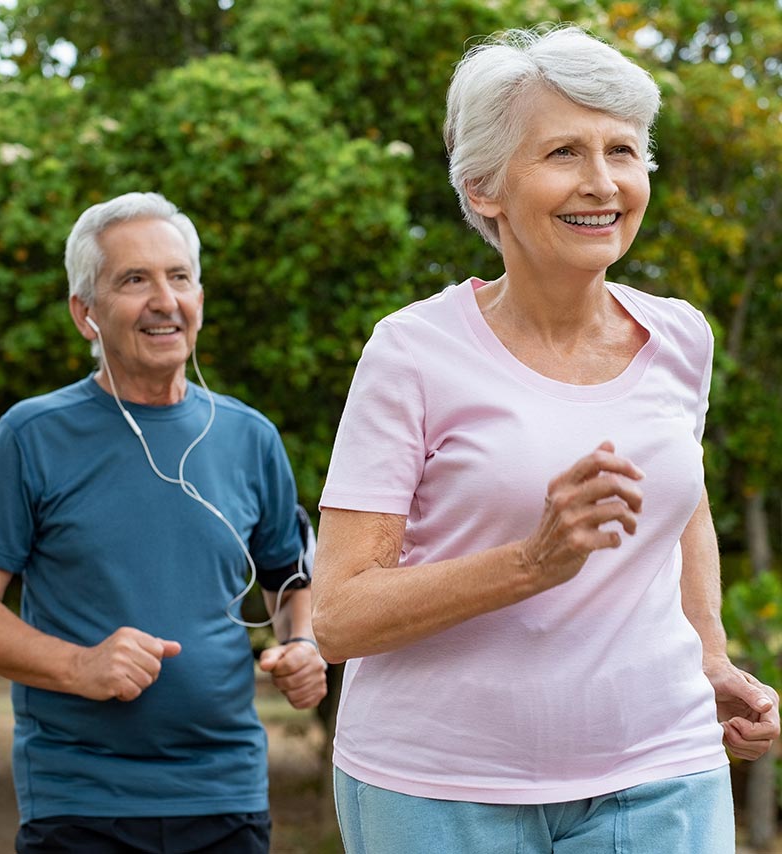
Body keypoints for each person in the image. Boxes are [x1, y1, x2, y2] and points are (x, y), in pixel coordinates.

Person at [311, 25, 779, 854]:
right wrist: (532, 562)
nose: (603, 184)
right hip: (437, 789)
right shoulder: (411, 353)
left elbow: (683, 507)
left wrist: (710, 654)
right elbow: (339, 617)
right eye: (564, 151)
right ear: (484, 187)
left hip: (661, 769)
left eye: (624, 152)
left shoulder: (681, 339)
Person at [0, 191, 327, 854]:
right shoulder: (31, 436)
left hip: (228, 797)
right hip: (80, 804)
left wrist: (304, 645)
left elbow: (290, 577)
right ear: (86, 313)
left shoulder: (250, 436)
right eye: (134, 280)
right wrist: (80, 666)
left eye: (180, 277)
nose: (164, 300)